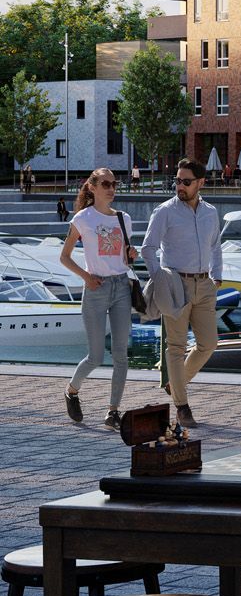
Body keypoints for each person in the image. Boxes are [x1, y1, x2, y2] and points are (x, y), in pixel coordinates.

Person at [140, 158, 222, 429]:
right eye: (177, 180)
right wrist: (159, 278)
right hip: (174, 284)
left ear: (201, 183)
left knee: (208, 344)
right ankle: (182, 406)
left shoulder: (211, 212)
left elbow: (216, 246)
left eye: (186, 182)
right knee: (175, 347)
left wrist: (217, 276)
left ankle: (175, 385)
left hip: (205, 285)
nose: (180, 186)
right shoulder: (164, 211)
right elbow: (148, 248)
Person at [59, 168, 136, 429]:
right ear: (92, 187)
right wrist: (86, 277)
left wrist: (131, 254)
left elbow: (124, 258)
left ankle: (113, 410)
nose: (111, 188)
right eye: (105, 183)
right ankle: (71, 391)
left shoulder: (124, 219)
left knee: (120, 354)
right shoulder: (83, 219)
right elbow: (65, 257)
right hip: (95, 288)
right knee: (94, 356)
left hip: (122, 288)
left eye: (114, 183)